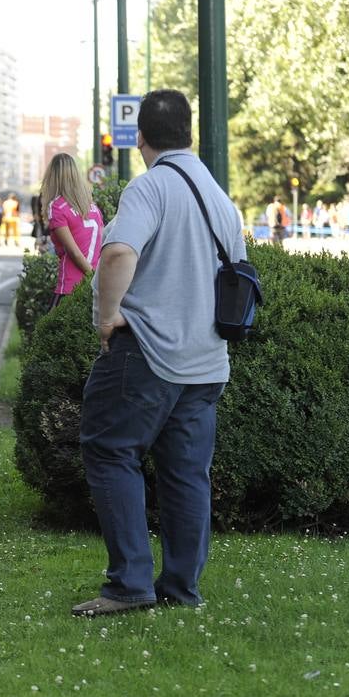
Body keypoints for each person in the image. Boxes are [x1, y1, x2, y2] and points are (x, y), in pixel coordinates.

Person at [72, 88, 242, 617]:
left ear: (140, 137)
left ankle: (129, 584)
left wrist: (107, 315)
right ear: (190, 134)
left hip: (147, 353)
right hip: (207, 361)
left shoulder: (150, 189)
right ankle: (182, 589)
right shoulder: (221, 197)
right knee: (187, 475)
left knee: (108, 449)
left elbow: (119, 251)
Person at [40, 152, 104, 310]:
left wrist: (92, 277)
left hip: (70, 287)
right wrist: (97, 280)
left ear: (52, 177)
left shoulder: (57, 207)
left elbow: (74, 252)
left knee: (48, 333)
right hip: (95, 284)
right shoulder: (93, 207)